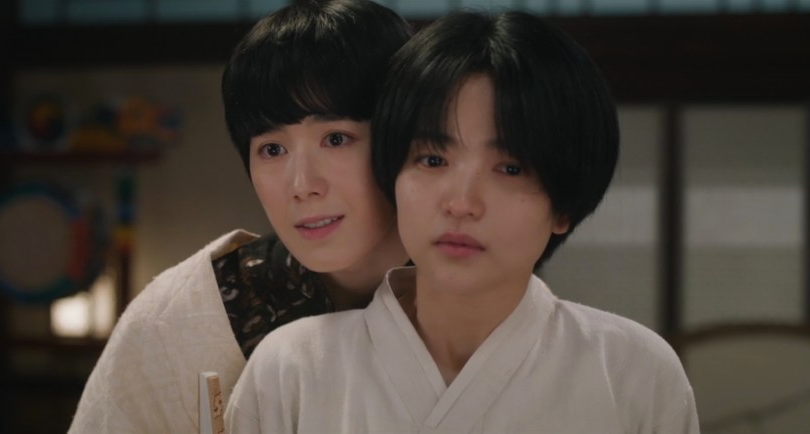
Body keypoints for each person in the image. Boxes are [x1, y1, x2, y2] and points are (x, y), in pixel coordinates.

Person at [225, 10, 699, 433]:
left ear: (563, 207)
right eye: (432, 160)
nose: (461, 203)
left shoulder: (633, 371)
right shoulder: (291, 369)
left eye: (510, 168)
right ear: (391, 176)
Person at [69, 1, 412, 432]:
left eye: (336, 138)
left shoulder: (481, 291)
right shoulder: (181, 318)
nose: (302, 184)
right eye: (272, 149)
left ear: (406, 134)